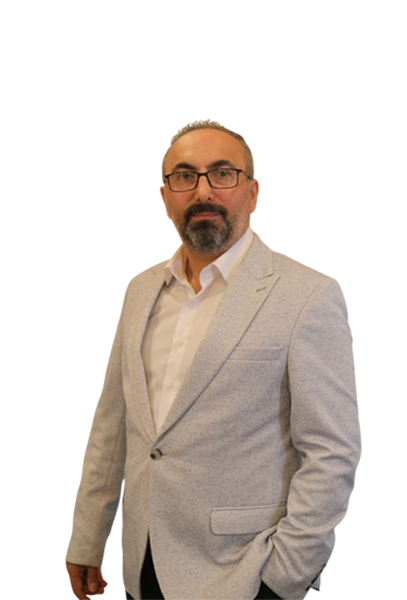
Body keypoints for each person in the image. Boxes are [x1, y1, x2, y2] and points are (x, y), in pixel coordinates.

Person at [66, 121, 361, 600]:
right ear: (166, 195)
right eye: (185, 176)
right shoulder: (141, 292)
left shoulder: (307, 296)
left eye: (223, 173)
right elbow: (113, 425)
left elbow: (332, 450)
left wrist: (285, 574)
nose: (203, 191)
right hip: (144, 564)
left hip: (245, 573)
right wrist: (87, 539)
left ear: (253, 191)